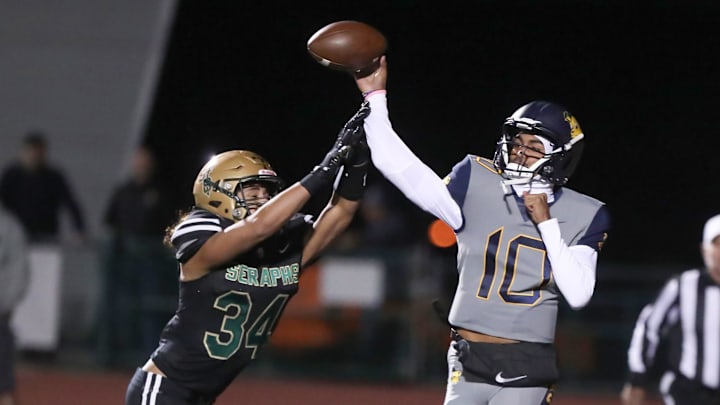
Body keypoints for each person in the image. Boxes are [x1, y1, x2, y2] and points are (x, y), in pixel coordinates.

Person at [352, 57, 610, 404]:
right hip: (467, 355)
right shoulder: (476, 179)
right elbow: (404, 171)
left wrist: (546, 222)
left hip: (527, 361)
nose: (520, 151)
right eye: (518, 140)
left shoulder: (585, 213)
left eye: (535, 146)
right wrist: (375, 97)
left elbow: (578, 295)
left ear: (560, 158)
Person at [124, 104, 370, 405]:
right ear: (217, 192)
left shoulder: (282, 251)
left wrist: (356, 165)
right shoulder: (201, 234)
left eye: (267, 193)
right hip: (164, 389)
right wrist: (323, 171)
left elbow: (341, 212)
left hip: (203, 395)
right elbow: (258, 226)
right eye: (252, 193)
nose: (263, 200)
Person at [620, 214, 720, 405]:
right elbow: (649, 326)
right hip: (688, 392)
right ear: (704, 249)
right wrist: (637, 377)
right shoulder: (684, 286)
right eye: (718, 244)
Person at [97, 146, 177, 367]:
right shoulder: (123, 191)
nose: (141, 167)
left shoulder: (160, 192)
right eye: (138, 162)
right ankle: (113, 357)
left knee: (150, 310)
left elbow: (171, 226)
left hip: (151, 263)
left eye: (145, 163)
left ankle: (151, 357)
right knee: (119, 308)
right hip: (122, 263)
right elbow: (109, 222)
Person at [0, 131, 86, 243]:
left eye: (39, 153)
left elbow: (70, 203)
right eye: (31, 152)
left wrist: (79, 229)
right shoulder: (11, 175)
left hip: (47, 235)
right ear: (23, 152)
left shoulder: (54, 177)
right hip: (15, 236)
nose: (34, 156)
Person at [0, 205, 29, 405]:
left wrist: (7, 300)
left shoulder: (9, 227)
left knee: (2, 344)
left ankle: (5, 395)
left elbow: (18, 267)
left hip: (0, 304)